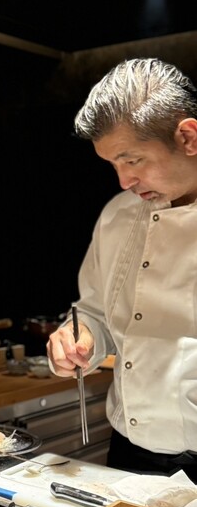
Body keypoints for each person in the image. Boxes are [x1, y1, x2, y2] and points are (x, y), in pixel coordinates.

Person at [46, 57, 197, 483]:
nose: (124, 181)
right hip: (131, 452)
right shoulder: (118, 214)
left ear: (188, 137)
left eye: (133, 160)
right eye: (113, 165)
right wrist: (79, 338)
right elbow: (95, 309)